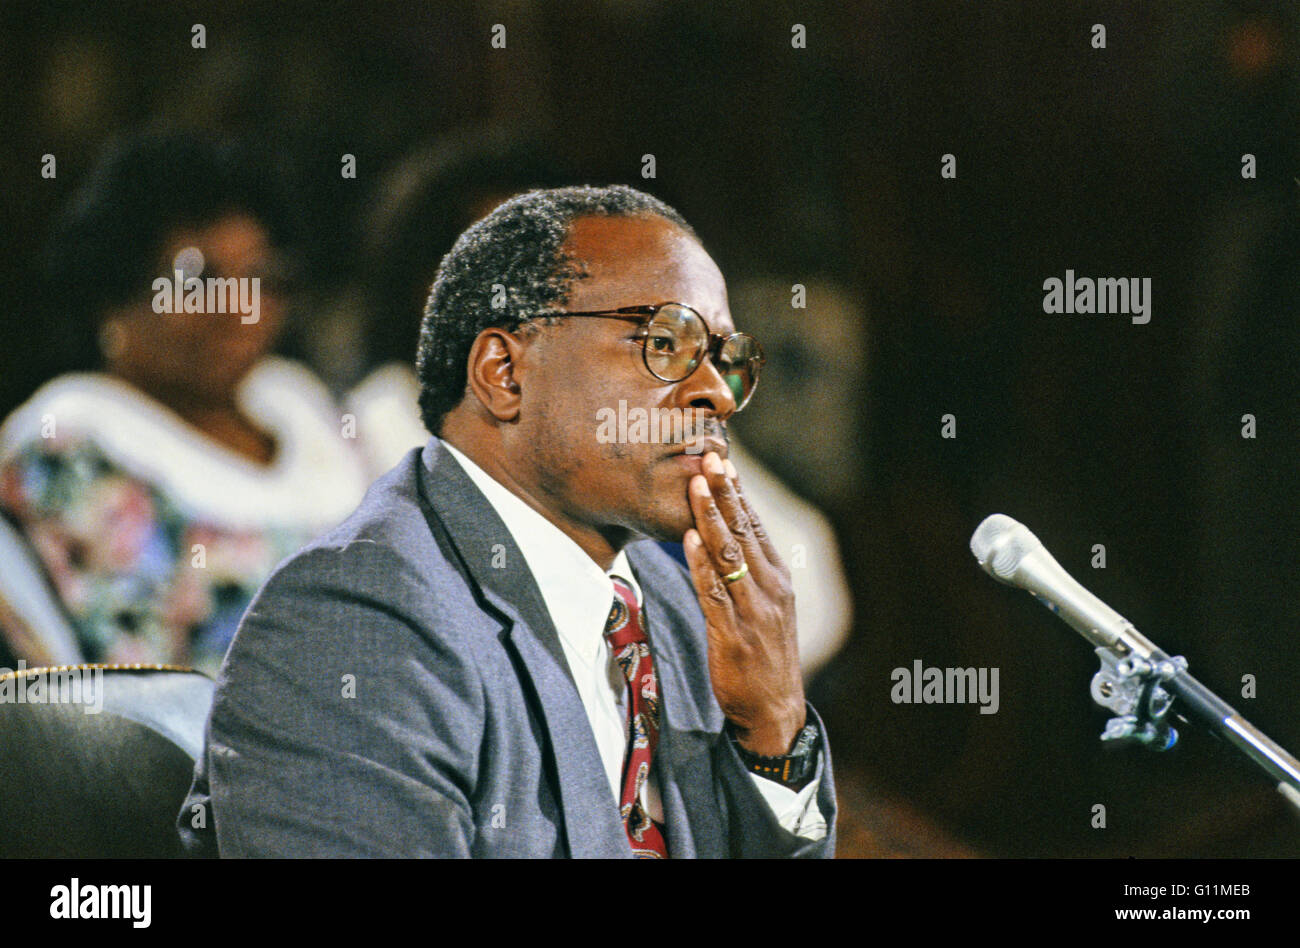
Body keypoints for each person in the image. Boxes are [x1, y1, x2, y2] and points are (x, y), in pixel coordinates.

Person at [180, 185, 837, 857]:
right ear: (505, 373)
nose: (717, 394)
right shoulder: (353, 623)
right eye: (665, 342)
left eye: (726, 358)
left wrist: (773, 730)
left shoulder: (673, 608)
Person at [0, 132, 369, 676]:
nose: (238, 309)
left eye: (259, 279)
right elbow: (133, 677)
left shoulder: (295, 400)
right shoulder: (71, 438)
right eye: (197, 281)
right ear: (114, 292)